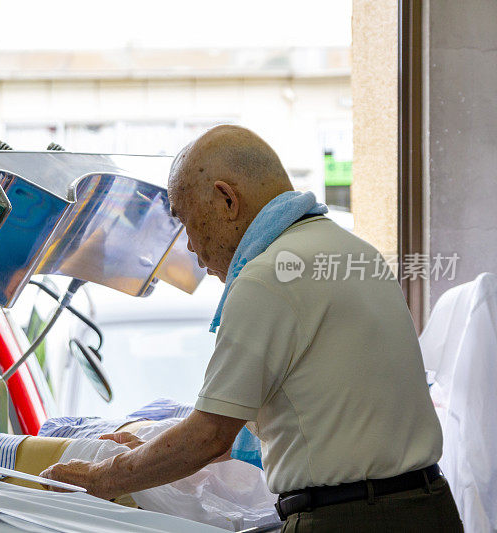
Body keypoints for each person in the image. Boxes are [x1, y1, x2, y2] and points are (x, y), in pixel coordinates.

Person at [41, 125, 463, 532]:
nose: (189, 246)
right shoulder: (352, 251)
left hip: (349, 518)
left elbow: (210, 434)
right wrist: (160, 448)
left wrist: (101, 478)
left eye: (187, 222)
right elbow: (293, 410)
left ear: (226, 200)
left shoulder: (267, 278)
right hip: (431, 508)